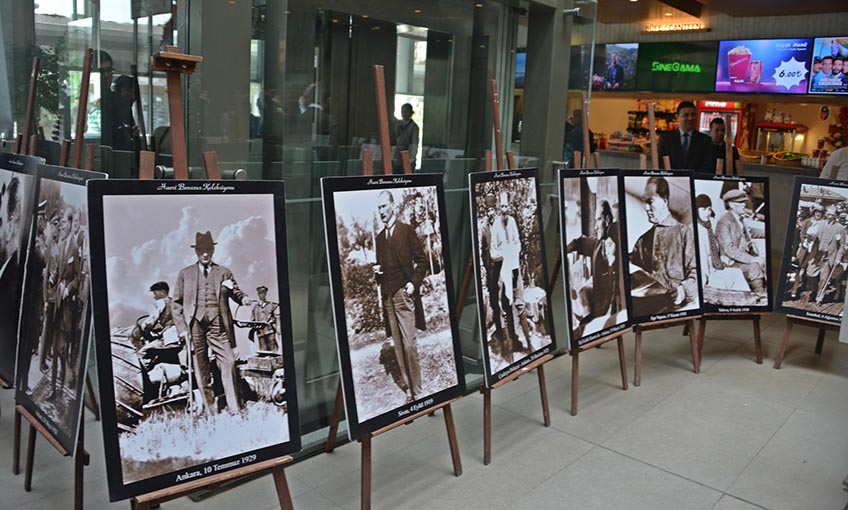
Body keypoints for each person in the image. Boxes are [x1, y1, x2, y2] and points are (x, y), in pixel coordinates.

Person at [172, 231, 251, 415]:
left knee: (229, 361)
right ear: (196, 252)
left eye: (208, 250)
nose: (205, 254)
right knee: (201, 367)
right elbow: (176, 304)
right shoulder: (185, 274)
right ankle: (211, 411)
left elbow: (236, 292)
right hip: (194, 326)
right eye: (201, 250)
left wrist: (245, 299)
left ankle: (235, 409)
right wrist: (182, 329)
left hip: (218, 324)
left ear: (213, 250)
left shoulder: (224, 272)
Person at [373, 191, 427, 403]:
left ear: (393, 206)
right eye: (379, 208)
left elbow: (422, 261)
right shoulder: (379, 238)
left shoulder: (406, 231)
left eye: (384, 207)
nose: (381, 212)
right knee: (397, 344)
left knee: (409, 344)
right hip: (387, 297)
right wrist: (377, 273)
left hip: (403, 295)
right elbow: (381, 268)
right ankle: (408, 390)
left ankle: (419, 390)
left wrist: (413, 285)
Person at [628, 176, 698, 314]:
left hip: (677, 307)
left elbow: (696, 272)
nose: (646, 208)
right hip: (648, 307)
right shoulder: (643, 240)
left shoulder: (684, 233)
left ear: (665, 201)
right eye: (644, 202)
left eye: (650, 201)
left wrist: (683, 291)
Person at [565, 200, 619, 337]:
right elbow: (580, 243)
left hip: (611, 311)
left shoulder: (614, 241)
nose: (595, 227)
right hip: (598, 307)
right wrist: (562, 251)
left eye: (598, 220)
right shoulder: (597, 243)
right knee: (583, 291)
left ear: (607, 220)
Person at [48, 210, 80, 400]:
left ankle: (65, 379)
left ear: (69, 225)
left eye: (64, 223)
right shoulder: (60, 246)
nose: (61, 227)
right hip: (57, 305)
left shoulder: (74, 248)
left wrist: (69, 288)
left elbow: (77, 277)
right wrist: (52, 277)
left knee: (62, 347)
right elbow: (58, 272)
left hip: (67, 307)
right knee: (56, 347)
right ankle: (57, 385)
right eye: (59, 224)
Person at [715, 189, 767, 296]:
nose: (744, 205)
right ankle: (760, 296)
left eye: (744, 202)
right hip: (731, 263)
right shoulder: (724, 222)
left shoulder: (739, 219)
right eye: (740, 202)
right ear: (731, 205)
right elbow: (729, 249)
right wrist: (751, 259)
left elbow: (750, 232)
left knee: (764, 260)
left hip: (743, 259)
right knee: (755, 266)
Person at [658, 101, 714, 173]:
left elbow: (707, 166)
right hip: (672, 181)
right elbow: (660, 164)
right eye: (686, 115)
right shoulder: (666, 139)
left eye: (693, 115)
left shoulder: (705, 141)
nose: (690, 118)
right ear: (677, 117)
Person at [812, 206, 845, 303]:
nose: (830, 216)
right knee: (810, 274)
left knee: (823, 278)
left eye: (832, 215)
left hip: (829, 256)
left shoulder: (839, 228)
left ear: (835, 215)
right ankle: (814, 290)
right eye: (829, 214)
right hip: (818, 254)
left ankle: (819, 298)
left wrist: (838, 258)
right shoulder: (821, 224)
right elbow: (815, 238)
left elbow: (842, 245)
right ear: (826, 214)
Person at [251, 285, 280, 353]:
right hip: (260, 332)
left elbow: (277, 317)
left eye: (264, 293)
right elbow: (252, 320)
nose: (262, 295)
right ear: (258, 294)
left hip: (270, 331)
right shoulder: (255, 307)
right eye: (261, 293)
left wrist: (278, 328)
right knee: (263, 350)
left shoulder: (271, 305)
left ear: (266, 294)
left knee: (273, 349)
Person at [395, 103, 420, 169]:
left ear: (410, 113)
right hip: (397, 158)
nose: (403, 113)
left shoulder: (414, 127)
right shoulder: (398, 124)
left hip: (407, 158)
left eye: (406, 111)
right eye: (402, 111)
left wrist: (410, 160)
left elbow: (414, 144)